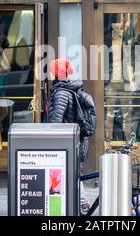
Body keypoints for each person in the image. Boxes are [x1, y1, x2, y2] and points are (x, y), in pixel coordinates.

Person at [46, 58, 91, 215]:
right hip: (75, 141)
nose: (50, 73)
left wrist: (50, 142)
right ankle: (76, 205)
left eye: (52, 70)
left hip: (68, 144)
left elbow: (57, 122)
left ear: (57, 73)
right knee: (73, 173)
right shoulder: (70, 89)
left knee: (71, 174)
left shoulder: (61, 93)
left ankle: (82, 204)